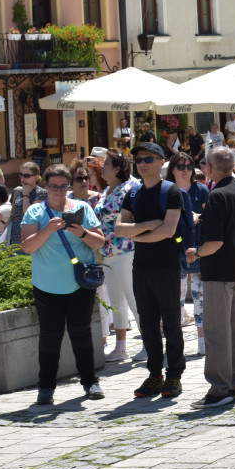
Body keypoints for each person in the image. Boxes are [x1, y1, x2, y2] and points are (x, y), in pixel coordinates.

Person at [19, 164, 106, 405]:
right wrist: (46, 230)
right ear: (45, 186)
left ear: (68, 186)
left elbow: (99, 243)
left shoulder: (82, 208)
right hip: (47, 284)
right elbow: (27, 247)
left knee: (82, 332)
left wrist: (81, 234)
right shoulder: (36, 212)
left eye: (63, 186)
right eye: (53, 186)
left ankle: (90, 382)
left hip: (80, 283)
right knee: (50, 336)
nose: (58, 191)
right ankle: (45, 387)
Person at [115, 141, 187, 399]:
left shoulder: (171, 192)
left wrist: (136, 234)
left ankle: (175, 375)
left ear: (160, 162)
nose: (142, 163)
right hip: (141, 266)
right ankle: (155, 373)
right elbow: (119, 229)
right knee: (147, 323)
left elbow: (168, 231)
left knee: (171, 323)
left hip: (166, 266)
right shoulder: (133, 194)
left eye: (147, 159)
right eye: (139, 159)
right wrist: (148, 226)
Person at [186, 146, 235, 409]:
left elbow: (214, 242)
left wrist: (195, 253)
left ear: (210, 169)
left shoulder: (216, 196)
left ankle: (219, 387)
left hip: (217, 273)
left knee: (216, 332)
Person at [95, 149, 140, 362]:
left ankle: (150, 343)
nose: (102, 167)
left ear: (118, 168)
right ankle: (121, 346)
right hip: (108, 252)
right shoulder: (107, 191)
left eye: (106, 163)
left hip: (126, 249)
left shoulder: (131, 188)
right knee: (115, 301)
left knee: (133, 297)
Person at [167, 151, 208, 353]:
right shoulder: (167, 190)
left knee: (200, 295)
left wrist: (198, 216)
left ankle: (202, 340)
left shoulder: (201, 189)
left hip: (198, 247)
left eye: (189, 166)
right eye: (181, 166)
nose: (185, 171)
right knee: (175, 296)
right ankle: (176, 342)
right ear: (172, 169)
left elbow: (212, 216)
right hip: (173, 250)